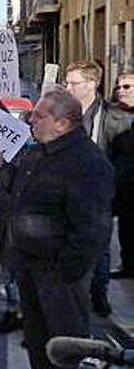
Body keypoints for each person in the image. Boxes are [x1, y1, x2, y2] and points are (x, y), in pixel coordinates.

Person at [0, 87, 114, 369]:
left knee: (65, 348)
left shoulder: (88, 162)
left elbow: (92, 229)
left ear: (63, 123)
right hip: (28, 267)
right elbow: (19, 190)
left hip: (59, 275)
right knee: (38, 342)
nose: (31, 120)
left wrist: (68, 271)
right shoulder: (37, 153)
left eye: (39, 116)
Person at [63, 61, 130, 316]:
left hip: (98, 198)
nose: (68, 88)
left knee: (100, 249)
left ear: (92, 84)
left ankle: (98, 294)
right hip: (65, 196)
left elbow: (125, 165)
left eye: (73, 83)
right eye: (66, 82)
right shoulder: (62, 114)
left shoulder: (117, 118)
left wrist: (108, 193)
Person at [110, 70, 134, 279]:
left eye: (127, 87)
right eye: (119, 86)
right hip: (123, 186)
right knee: (126, 229)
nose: (121, 91)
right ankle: (128, 265)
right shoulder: (111, 114)